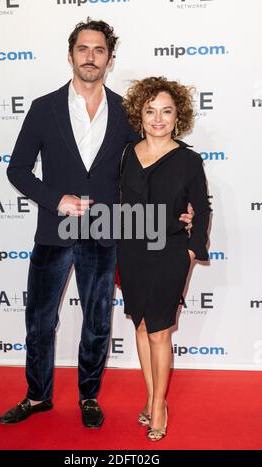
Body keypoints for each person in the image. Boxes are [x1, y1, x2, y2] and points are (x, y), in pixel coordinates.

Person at [0, 20, 193, 428]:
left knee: (98, 321)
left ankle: (89, 396)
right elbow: (17, 170)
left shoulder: (125, 112)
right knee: (39, 319)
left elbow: (154, 161)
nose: (91, 56)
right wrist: (56, 200)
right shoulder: (43, 108)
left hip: (105, 232)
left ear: (109, 58)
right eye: (83, 49)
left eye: (99, 50)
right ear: (70, 55)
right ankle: (37, 395)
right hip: (55, 229)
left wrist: (183, 209)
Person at [117, 76, 211, 441]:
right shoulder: (126, 153)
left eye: (166, 111)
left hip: (170, 251)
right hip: (130, 251)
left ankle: (158, 406)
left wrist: (190, 251)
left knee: (159, 330)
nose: (158, 118)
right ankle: (151, 396)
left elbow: (201, 210)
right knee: (141, 327)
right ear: (139, 114)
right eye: (151, 110)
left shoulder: (188, 159)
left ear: (178, 117)